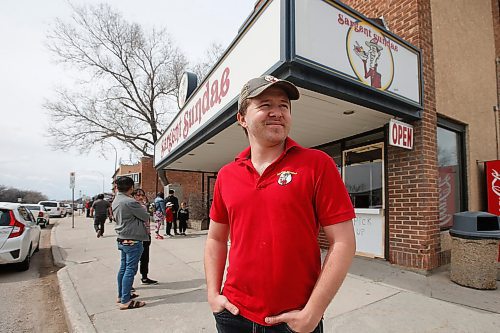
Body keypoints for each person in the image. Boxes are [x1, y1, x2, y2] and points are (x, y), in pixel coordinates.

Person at [204, 75, 356, 332]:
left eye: (283, 105)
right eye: (265, 105)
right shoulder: (227, 175)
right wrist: (212, 294)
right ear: (241, 118)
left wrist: (313, 312)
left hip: (294, 320)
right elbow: (216, 239)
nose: (277, 112)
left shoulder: (316, 165)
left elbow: (343, 242)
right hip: (233, 315)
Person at [112, 176, 150, 310]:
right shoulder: (130, 202)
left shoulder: (116, 200)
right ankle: (125, 301)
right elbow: (145, 216)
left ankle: (122, 294)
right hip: (133, 239)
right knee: (130, 269)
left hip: (122, 238)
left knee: (123, 268)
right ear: (131, 187)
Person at [132, 188, 158, 285]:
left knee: (145, 257)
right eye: (138, 195)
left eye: (142, 195)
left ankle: (144, 276)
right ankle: (129, 283)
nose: (140, 197)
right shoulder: (133, 206)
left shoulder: (143, 206)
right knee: (133, 260)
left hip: (146, 234)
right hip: (137, 236)